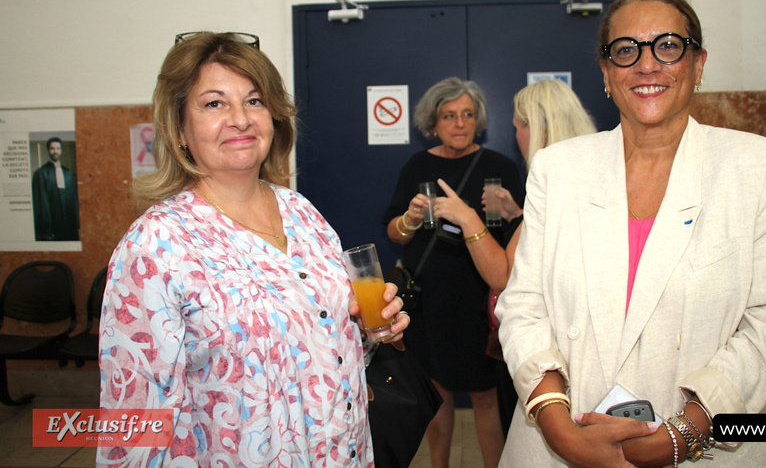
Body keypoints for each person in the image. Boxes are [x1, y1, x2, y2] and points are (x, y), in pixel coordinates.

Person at [496, 0, 766, 468]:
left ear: (698, 64)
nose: (647, 65)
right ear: (606, 72)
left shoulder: (758, 168)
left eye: (668, 46)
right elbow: (523, 304)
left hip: (704, 448)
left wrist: (679, 436)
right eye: (626, 50)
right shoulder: (557, 169)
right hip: (561, 442)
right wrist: (560, 431)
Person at [98, 32, 409, 468]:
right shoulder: (155, 245)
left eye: (255, 101)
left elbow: (318, 341)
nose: (240, 119)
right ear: (179, 129)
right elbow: (134, 425)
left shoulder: (302, 213)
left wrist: (367, 330)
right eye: (214, 104)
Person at [432, 78, 596, 437]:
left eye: (519, 126)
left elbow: (503, 277)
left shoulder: (549, 180)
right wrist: (520, 215)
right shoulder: (593, 172)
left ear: (537, 128)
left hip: (548, 349)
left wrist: (467, 218)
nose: (517, 135)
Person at [382, 77, 524, 468]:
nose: (460, 123)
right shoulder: (418, 165)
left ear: (478, 120)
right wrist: (410, 220)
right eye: (449, 116)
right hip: (429, 303)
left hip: (481, 303)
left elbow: (524, 235)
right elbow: (393, 232)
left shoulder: (500, 167)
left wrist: (510, 212)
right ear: (433, 122)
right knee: (436, 395)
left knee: (485, 397)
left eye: (467, 114)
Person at [31, 137, 80, 241]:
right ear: (48, 150)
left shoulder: (68, 173)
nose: (55, 151)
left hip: (69, 224)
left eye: (58, 148)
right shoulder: (41, 173)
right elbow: (40, 203)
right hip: (52, 224)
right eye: (52, 148)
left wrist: (77, 224)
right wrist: (46, 230)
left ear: (61, 150)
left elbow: (74, 201)